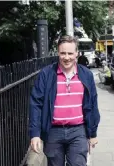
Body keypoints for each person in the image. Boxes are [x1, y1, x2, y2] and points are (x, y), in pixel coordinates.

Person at [29, 35, 100, 166]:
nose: (66, 57)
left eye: (70, 53)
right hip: (53, 132)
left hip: (78, 131)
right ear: (58, 52)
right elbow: (36, 105)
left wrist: (93, 133)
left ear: (76, 53)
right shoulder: (46, 74)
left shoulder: (86, 75)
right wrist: (35, 134)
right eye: (63, 53)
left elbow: (92, 105)